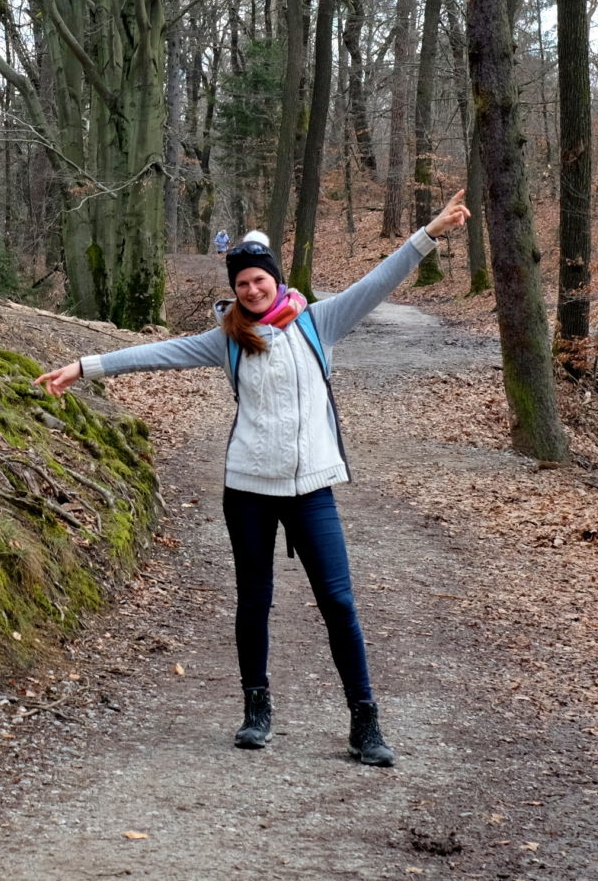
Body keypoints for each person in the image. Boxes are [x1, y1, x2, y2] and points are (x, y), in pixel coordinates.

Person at [34, 191, 472, 766]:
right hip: (247, 489)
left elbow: (379, 281)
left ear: (275, 279)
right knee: (253, 600)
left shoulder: (320, 321)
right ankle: (256, 710)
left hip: (312, 487)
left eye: (259, 280)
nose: (251, 289)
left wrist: (430, 232)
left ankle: (365, 720)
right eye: (241, 283)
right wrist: (85, 367)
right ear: (234, 289)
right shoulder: (227, 339)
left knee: (338, 602)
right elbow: (158, 353)